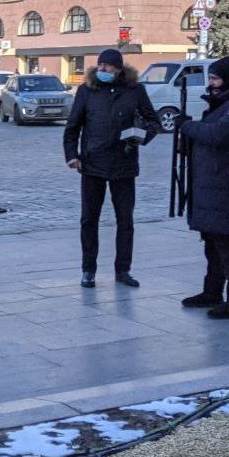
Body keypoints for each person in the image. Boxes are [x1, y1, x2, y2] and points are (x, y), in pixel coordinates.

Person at [63, 49, 159, 289]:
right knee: (89, 220)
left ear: (118, 68)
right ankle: (88, 270)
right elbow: (73, 127)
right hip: (92, 164)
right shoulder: (86, 91)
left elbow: (153, 121)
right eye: (100, 65)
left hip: (123, 163)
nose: (102, 69)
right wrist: (72, 156)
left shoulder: (135, 91)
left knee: (125, 220)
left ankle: (123, 270)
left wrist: (141, 136)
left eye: (107, 66)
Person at [179, 56, 229, 319]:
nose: (211, 84)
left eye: (215, 78)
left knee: (227, 242)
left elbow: (218, 135)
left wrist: (187, 126)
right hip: (211, 186)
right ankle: (212, 291)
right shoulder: (223, 105)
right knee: (213, 242)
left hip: (226, 186)